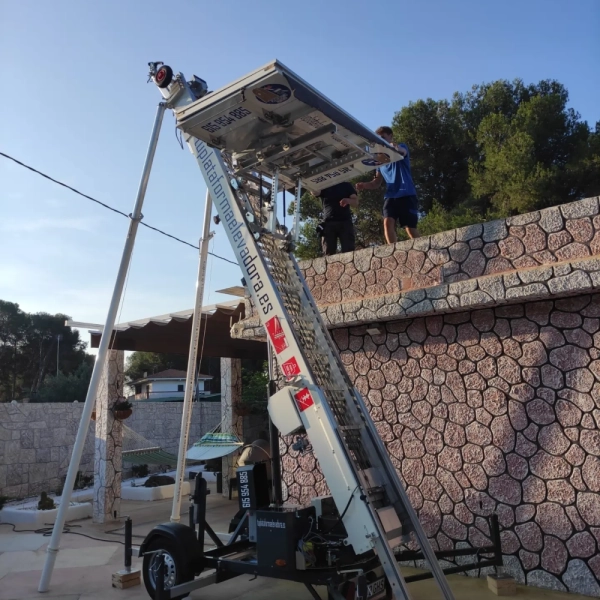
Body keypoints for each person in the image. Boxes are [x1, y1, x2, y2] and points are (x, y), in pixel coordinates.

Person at [355, 126, 419, 243]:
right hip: (391, 196)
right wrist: (364, 185)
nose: (380, 142)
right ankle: (392, 251)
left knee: (410, 228)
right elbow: (376, 183)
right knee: (387, 222)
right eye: (378, 140)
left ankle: (423, 249)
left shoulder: (401, 148)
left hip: (407, 194)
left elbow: (402, 151)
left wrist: (396, 149)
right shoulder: (379, 162)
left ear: (390, 136)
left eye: (383, 138)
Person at [314, 181, 358, 256]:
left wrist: (348, 200)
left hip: (345, 222)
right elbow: (315, 193)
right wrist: (309, 184)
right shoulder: (324, 184)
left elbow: (356, 202)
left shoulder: (346, 185)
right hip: (328, 222)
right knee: (328, 254)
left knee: (349, 253)